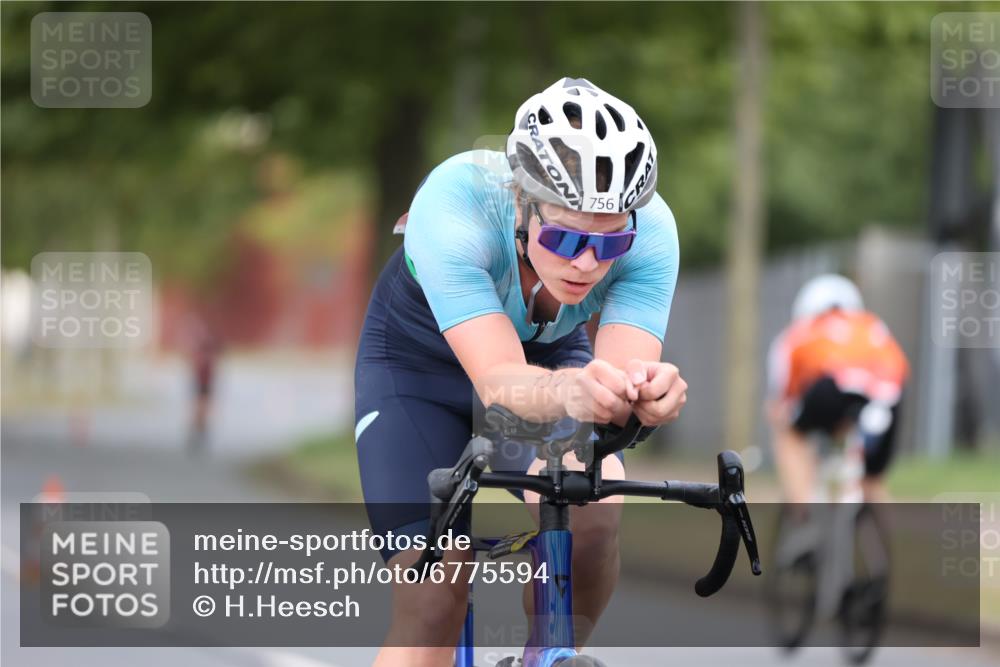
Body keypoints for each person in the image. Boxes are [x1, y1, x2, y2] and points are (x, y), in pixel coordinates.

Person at [354, 77, 687, 666]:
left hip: (548, 367)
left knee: (595, 512)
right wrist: (581, 392)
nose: (588, 263)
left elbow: (614, 384)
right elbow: (500, 384)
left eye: (610, 246)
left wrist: (644, 397)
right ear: (522, 203)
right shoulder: (455, 202)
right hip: (417, 372)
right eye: (563, 237)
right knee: (434, 597)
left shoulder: (652, 234)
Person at [766, 274, 910, 505]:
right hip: (889, 398)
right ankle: (889, 530)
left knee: (788, 431)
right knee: (873, 483)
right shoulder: (873, 325)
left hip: (832, 388)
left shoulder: (797, 333)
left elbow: (782, 398)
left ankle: (803, 509)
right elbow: (898, 369)